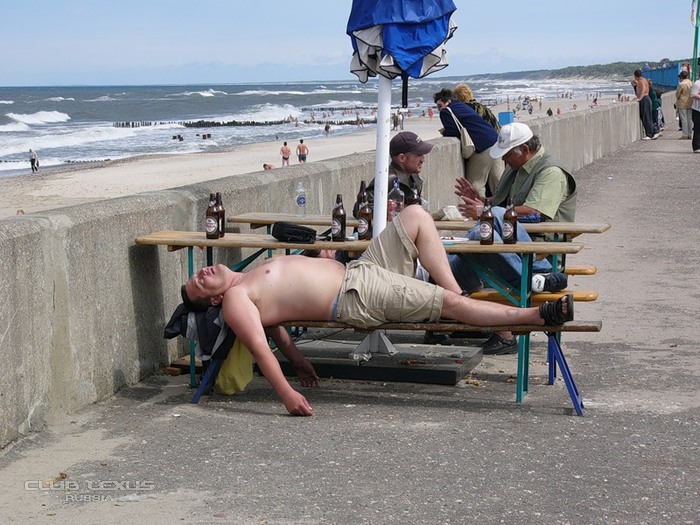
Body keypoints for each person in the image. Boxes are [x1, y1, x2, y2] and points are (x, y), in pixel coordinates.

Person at [182, 206, 574, 416]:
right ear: (214, 300)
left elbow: (276, 330)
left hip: (360, 270)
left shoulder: (247, 279)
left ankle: (457, 297)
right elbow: (259, 345)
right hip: (356, 296)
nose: (201, 273)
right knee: (449, 304)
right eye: (199, 284)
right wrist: (287, 394)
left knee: (416, 215)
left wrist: (300, 362)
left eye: (196, 274)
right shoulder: (235, 300)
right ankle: (535, 317)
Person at [448, 122, 576, 354]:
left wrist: (486, 211)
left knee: (480, 234)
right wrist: (481, 201)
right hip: (513, 243)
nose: (504, 160)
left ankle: (503, 321)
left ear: (525, 150)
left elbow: (535, 211)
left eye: (507, 155)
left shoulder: (551, 172)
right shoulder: (515, 168)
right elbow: (502, 206)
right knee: (474, 239)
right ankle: (469, 313)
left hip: (539, 249)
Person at [434, 88, 501, 198]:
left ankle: (479, 208)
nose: (439, 109)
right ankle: (506, 206)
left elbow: (453, 132)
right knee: (498, 182)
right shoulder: (463, 106)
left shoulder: (446, 112)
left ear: (448, 102)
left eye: (440, 105)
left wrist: (444, 131)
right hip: (495, 141)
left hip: (482, 146)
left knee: (475, 184)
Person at [356, 131, 433, 216]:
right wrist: (389, 211)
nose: (423, 159)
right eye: (418, 155)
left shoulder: (413, 177)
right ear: (402, 158)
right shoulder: (388, 178)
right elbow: (360, 208)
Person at [632, 70, 658, 140]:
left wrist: (639, 98)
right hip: (646, 99)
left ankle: (649, 134)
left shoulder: (641, 81)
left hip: (644, 99)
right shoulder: (643, 80)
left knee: (646, 117)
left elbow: (643, 90)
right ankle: (653, 132)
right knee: (647, 117)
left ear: (635, 76)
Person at [676, 70, 693, 140]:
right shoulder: (691, 83)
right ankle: (690, 134)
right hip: (690, 102)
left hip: (682, 103)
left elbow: (677, 94)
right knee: (689, 119)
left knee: (684, 119)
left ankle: (685, 135)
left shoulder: (681, 84)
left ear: (681, 77)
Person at [691, 72, 700, 153]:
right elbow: (693, 94)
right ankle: (696, 146)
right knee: (697, 128)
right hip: (697, 109)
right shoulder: (697, 83)